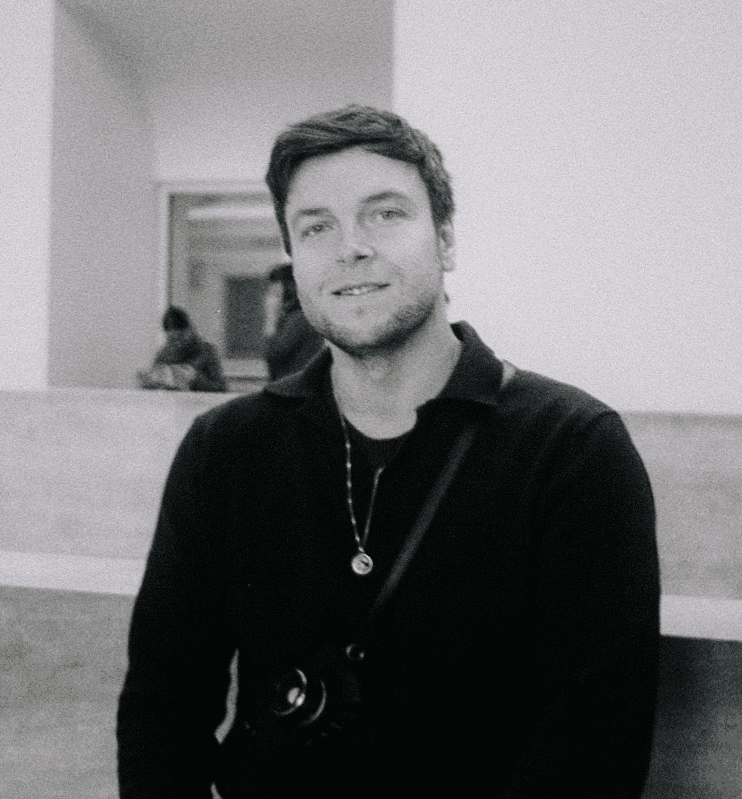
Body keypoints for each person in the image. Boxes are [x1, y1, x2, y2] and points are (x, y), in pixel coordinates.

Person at [118, 106, 660, 798]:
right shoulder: (226, 450)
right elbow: (163, 708)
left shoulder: (572, 448)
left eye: (385, 214)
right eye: (316, 227)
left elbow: (592, 748)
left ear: (445, 239)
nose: (350, 247)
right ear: (294, 257)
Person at [137, 306, 227, 392]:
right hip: (171, 401)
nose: (177, 344)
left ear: (190, 331)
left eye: (180, 337)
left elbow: (222, 389)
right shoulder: (164, 354)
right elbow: (155, 389)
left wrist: (196, 379)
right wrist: (149, 382)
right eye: (172, 340)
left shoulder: (207, 352)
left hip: (199, 401)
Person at [264, 263, 325, 380]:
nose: (269, 298)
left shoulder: (298, 319)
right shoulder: (301, 316)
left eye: (275, 293)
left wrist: (270, 319)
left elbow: (274, 355)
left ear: (289, 290)